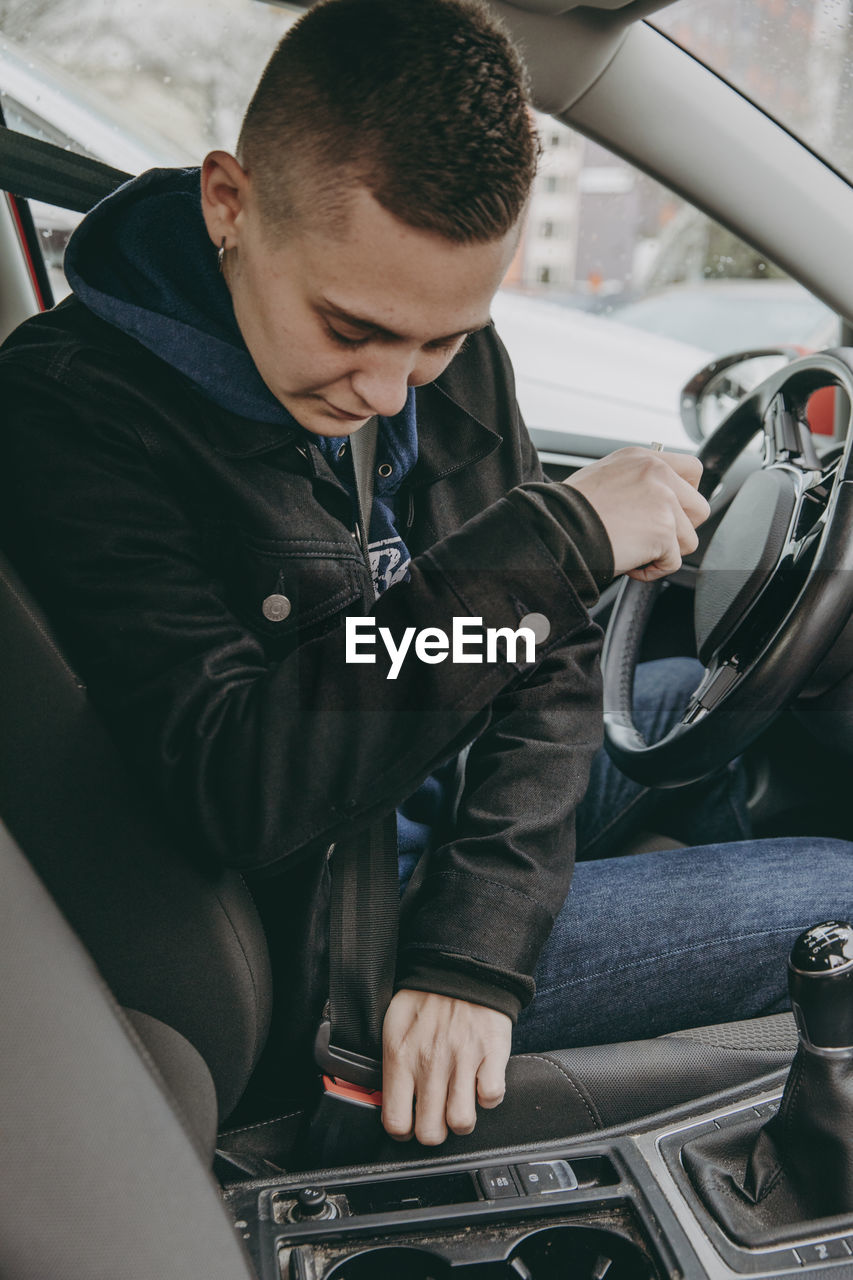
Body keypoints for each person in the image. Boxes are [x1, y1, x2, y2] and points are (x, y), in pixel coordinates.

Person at [1, 0, 851, 1151]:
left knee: (721, 701)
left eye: (444, 341)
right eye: (350, 328)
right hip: (341, 926)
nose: (395, 389)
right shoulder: (71, 421)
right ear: (228, 204)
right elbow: (240, 775)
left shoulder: (434, 334)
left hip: (446, 822)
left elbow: (543, 662)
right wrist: (552, 546)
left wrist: (486, 923)